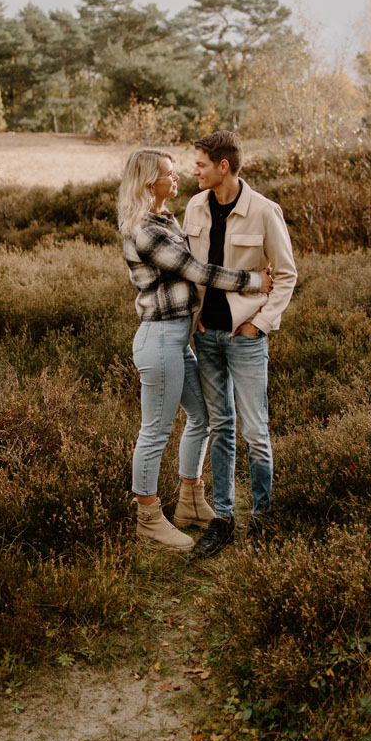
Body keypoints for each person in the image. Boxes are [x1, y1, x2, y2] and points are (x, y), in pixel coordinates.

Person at [118, 148, 273, 552]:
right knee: (154, 431)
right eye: (169, 174)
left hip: (178, 338)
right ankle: (149, 517)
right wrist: (253, 281)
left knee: (202, 415)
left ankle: (189, 500)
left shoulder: (165, 217)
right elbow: (197, 270)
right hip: (160, 339)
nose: (177, 179)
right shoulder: (143, 229)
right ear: (148, 181)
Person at [183, 130, 297, 557]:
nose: (194, 170)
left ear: (223, 166)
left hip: (246, 339)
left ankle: (263, 519)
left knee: (255, 430)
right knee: (221, 427)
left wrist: (261, 324)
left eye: (201, 164)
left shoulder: (264, 212)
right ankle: (224, 520)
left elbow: (286, 274)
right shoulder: (194, 206)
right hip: (205, 337)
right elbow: (190, 268)